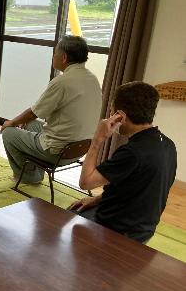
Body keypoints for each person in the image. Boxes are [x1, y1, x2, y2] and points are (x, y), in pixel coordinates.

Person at [69, 81, 177, 243]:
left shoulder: (132, 152)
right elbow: (138, 188)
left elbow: (85, 183)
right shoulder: (168, 144)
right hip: (143, 230)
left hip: (116, 232)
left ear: (121, 116)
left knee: (64, 219)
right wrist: (98, 199)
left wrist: (97, 140)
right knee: (79, 206)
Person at [1, 35, 102, 184]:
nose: (53, 56)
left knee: (8, 133)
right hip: (79, 149)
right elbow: (35, 116)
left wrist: (10, 123)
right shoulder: (92, 78)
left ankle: (30, 178)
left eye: (55, 53)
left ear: (64, 57)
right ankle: (33, 171)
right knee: (30, 125)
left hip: (58, 151)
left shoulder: (62, 82)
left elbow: (34, 112)